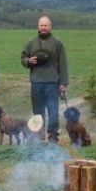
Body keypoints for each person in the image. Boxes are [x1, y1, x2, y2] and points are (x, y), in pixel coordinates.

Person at [21, 16, 69, 144]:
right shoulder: (31, 43)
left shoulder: (57, 43)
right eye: (41, 25)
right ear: (38, 26)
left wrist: (63, 83)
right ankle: (38, 137)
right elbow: (23, 57)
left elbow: (63, 63)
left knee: (53, 111)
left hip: (52, 82)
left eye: (45, 25)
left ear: (50, 26)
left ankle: (53, 137)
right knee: (38, 112)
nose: (43, 28)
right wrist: (28, 61)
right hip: (36, 82)